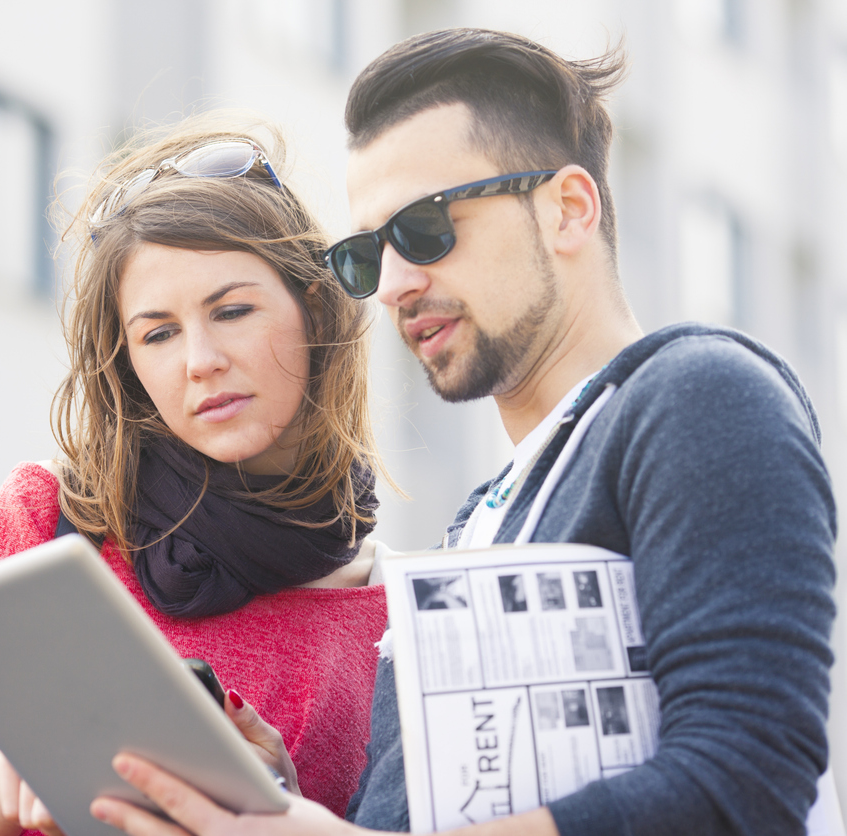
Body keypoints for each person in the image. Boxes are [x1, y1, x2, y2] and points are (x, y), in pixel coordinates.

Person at [90, 28, 836, 836]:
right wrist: (280, 796)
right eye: (371, 252)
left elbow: (745, 785)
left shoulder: (695, 397)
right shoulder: (486, 519)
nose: (396, 286)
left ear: (568, 208)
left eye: (426, 229)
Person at [0, 115, 394, 836]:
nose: (200, 360)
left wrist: (278, 802)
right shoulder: (59, 516)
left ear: (312, 307)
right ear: (128, 363)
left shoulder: (392, 608)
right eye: (158, 333)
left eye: (233, 310)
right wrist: (17, 777)